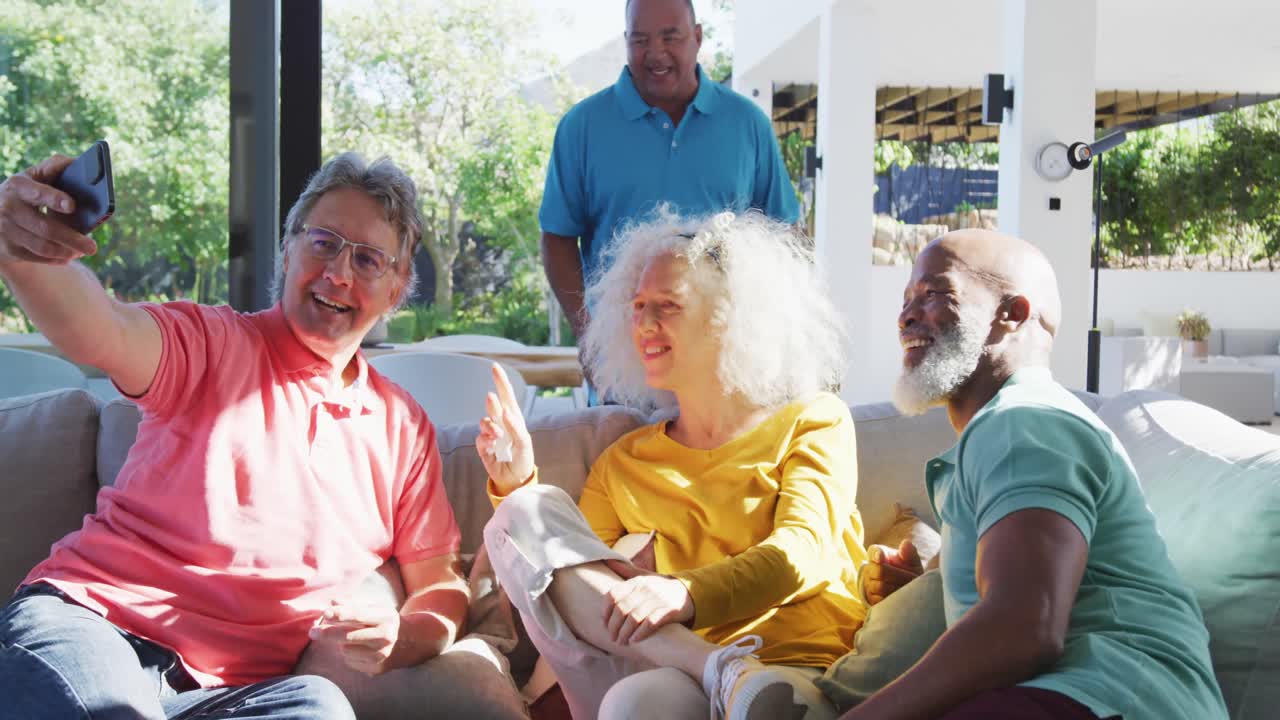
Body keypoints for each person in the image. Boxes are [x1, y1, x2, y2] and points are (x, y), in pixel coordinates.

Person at [0, 151, 469, 719]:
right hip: (93, 623)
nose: (339, 274)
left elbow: (440, 586)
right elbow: (104, 329)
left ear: (396, 290)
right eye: (323, 243)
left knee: (320, 707)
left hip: (221, 696)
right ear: (288, 250)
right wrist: (26, 252)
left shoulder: (403, 428)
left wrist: (402, 637)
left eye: (367, 259)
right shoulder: (213, 342)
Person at [477, 209, 862, 720]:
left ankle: (735, 676)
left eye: (668, 305)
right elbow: (563, 592)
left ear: (733, 317)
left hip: (795, 665)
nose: (643, 324)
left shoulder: (814, 419)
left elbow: (802, 553)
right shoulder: (624, 462)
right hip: (677, 671)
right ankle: (719, 668)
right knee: (524, 513)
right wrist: (516, 483)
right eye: (638, 306)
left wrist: (685, 592)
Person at [847, 230, 1227, 720]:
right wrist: (922, 589)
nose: (906, 316)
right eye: (906, 300)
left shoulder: (1023, 423)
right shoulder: (1003, 431)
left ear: (1012, 314)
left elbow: (1024, 627)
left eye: (933, 293)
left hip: (1110, 695)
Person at [540, 0, 799, 350]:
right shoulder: (581, 127)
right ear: (626, 41)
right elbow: (557, 239)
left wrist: (774, 332)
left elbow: (784, 234)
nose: (656, 53)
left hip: (723, 352)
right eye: (640, 40)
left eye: (670, 37)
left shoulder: (747, 123)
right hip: (622, 355)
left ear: (698, 37)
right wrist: (590, 337)